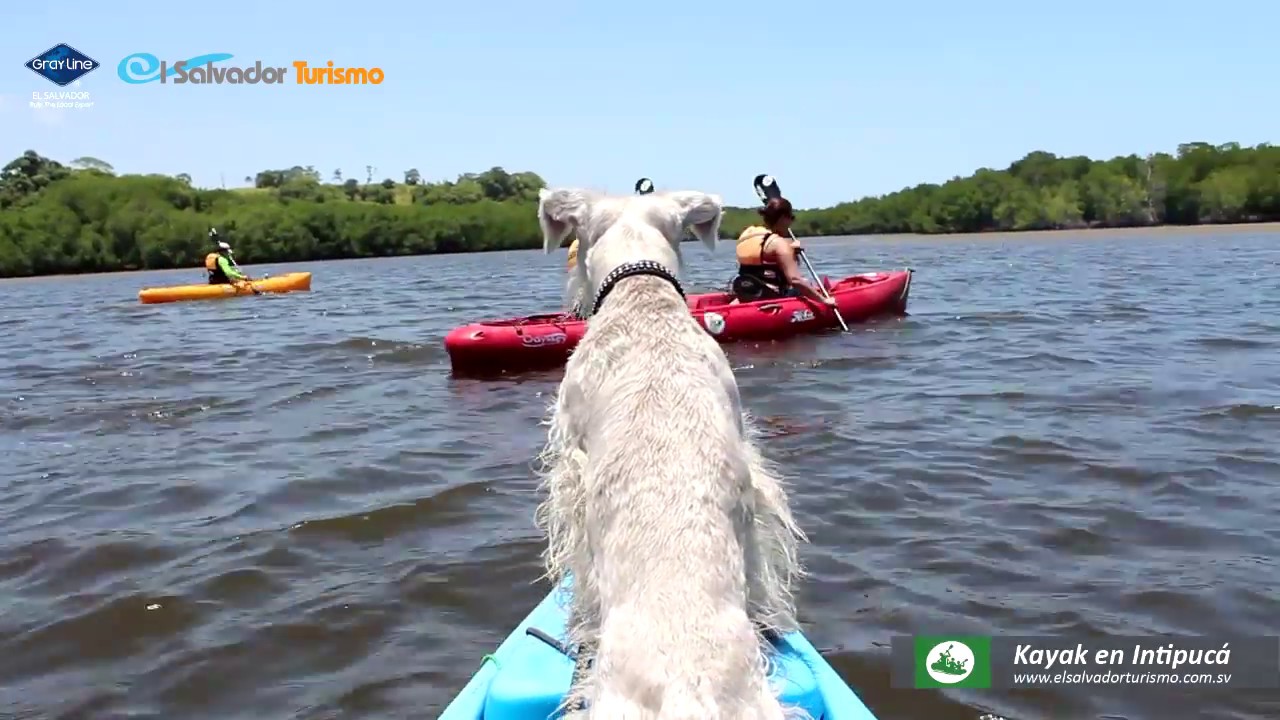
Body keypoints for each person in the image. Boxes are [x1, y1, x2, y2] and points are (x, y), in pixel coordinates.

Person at [731, 197, 835, 306]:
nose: (791, 222)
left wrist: (792, 252)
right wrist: (823, 301)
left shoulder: (748, 235)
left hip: (747, 292)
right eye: (791, 217)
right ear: (782, 218)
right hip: (771, 298)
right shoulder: (779, 244)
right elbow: (795, 280)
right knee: (806, 282)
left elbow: (765, 259)